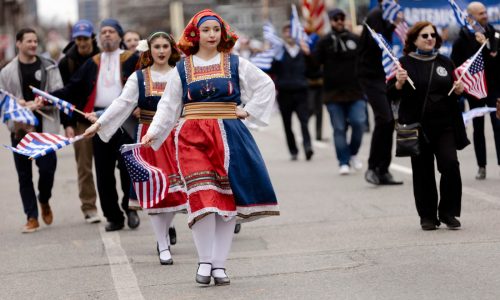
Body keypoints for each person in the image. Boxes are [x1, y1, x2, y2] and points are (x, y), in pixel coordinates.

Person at [141, 9, 279, 285]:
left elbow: (265, 85)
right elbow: (169, 105)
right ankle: (204, 262)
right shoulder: (182, 67)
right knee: (201, 197)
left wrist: (247, 110)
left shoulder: (236, 63)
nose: (212, 35)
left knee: (226, 199)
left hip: (229, 135)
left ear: (222, 33)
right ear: (195, 34)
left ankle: (219, 264)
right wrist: (153, 133)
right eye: (206, 30)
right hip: (192, 136)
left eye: (216, 29)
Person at [84, 32, 185, 264]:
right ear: (149, 50)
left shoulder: (180, 75)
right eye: (156, 47)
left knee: (173, 193)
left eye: (165, 46)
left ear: (171, 49)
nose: (161, 51)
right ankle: (162, 244)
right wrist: (99, 124)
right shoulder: (139, 77)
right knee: (154, 194)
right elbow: (121, 103)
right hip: (148, 138)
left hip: (175, 137)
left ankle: (167, 230)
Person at [52, 19, 140, 232]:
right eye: (104, 32)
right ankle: (114, 216)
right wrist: (47, 98)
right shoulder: (93, 62)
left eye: (111, 31)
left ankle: (130, 208)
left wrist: (142, 105)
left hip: (125, 120)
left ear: (119, 36)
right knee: (103, 170)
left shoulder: (133, 59)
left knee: (128, 167)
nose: (107, 35)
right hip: (99, 122)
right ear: (99, 37)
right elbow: (72, 88)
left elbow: (146, 84)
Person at [387, 21, 470, 231]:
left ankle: (449, 212)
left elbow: (455, 95)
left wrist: (460, 90)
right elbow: (391, 94)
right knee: (423, 172)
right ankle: (427, 216)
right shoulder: (403, 63)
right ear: (414, 39)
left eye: (432, 35)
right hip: (418, 126)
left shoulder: (445, 62)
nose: (430, 38)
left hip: (445, 126)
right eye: (424, 36)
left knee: (450, 165)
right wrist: (398, 83)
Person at [0, 28, 63, 233]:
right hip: (20, 130)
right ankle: (32, 217)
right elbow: (3, 101)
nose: (33, 45)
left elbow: (58, 93)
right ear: (18, 43)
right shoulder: (7, 72)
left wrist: (42, 101)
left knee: (47, 170)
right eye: (29, 41)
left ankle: (43, 199)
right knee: (24, 176)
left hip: (45, 129)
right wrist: (16, 103)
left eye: (35, 41)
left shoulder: (49, 67)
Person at [57, 19, 101, 224]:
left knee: (111, 164)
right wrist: (67, 123)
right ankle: (89, 207)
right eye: (78, 39)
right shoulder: (66, 62)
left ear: (92, 37)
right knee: (84, 166)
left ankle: (123, 205)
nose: (82, 42)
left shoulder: (103, 57)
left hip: (104, 117)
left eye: (85, 38)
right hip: (81, 120)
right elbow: (64, 96)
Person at [313, 8, 367, 175]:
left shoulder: (355, 39)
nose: (339, 21)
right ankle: (343, 161)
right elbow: (315, 65)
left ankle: (352, 154)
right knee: (339, 128)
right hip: (333, 94)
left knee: (359, 123)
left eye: (341, 18)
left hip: (355, 92)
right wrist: (308, 54)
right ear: (331, 21)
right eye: (335, 19)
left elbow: (365, 61)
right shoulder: (324, 42)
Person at [451, 1, 500, 180]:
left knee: (498, 125)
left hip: (495, 89)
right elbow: (455, 66)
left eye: (485, 12)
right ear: (470, 18)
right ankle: (482, 166)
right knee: (478, 129)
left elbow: (495, 58)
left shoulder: (495, 34)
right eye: (480, 14)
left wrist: (487, 46)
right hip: (475, 90)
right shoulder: (461, 39)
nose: (485, 16)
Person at [357, 0, 403, 185]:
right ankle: (372, 168)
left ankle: (383, 170)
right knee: (384, 118)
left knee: (389, 121)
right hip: (370, 74)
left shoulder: (387, 16)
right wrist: (392, 24)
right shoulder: (377, 14)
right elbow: (378, 43)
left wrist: (393, 24)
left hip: (382, 74)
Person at [271, 24, 314, 161]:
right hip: (284, 92)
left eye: (291, 31)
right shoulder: (279, 52)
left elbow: (313, 70)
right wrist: (274, 58)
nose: (289, 34)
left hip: (301, 91)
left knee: (304, 121)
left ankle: (308, 147)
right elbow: (272, 70)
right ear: (283, 34)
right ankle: (293, 149)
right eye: (286, 32)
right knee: (287, 124)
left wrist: (309, 56)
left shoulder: (302, 51)